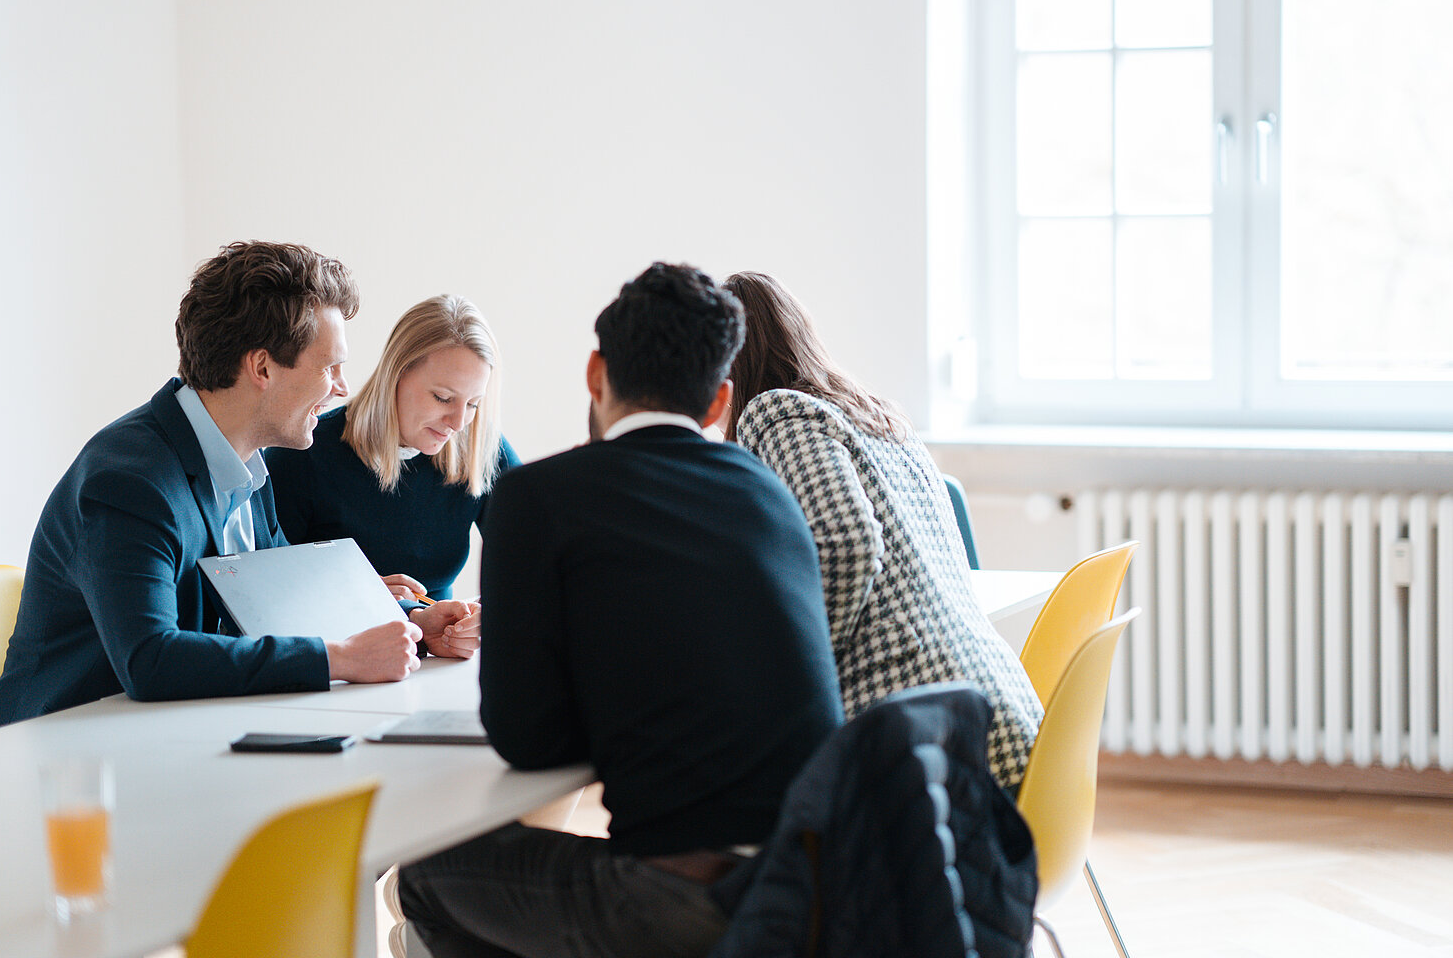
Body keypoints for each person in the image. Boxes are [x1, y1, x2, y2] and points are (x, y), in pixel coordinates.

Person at [395, 263, 844, 958]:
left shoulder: (538, 498)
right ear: (721, 401)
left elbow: (526, 738)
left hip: (688, 904)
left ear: (595, 372)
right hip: (820, 894)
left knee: (425, 875)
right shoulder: (768, 495)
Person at [0, 241, 467, 729]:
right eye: (329, 367)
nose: (342, 387)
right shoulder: (128, 480)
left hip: (170, 735)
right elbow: (150, 659)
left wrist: (412, 624)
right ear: (262, 368)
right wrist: (338, 659)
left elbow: (284, 602)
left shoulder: (250, 461)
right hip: (63, 758)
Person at [720, 271, 1042, 790]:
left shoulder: (777, 411)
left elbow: (845, 544)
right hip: (998, 721)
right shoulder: (880, 417)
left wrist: (801, 661)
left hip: (928, 740)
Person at [266, 295, 516, 655]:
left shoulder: (482, 448)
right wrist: (356, 593)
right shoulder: (304, 451)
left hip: (435, 664)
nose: (459, 423)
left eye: (474, 403)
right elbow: (266, 592)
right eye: (443, 398)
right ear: (394, 375)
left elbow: (541, 558)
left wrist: (488, 613)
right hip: (332, 667)